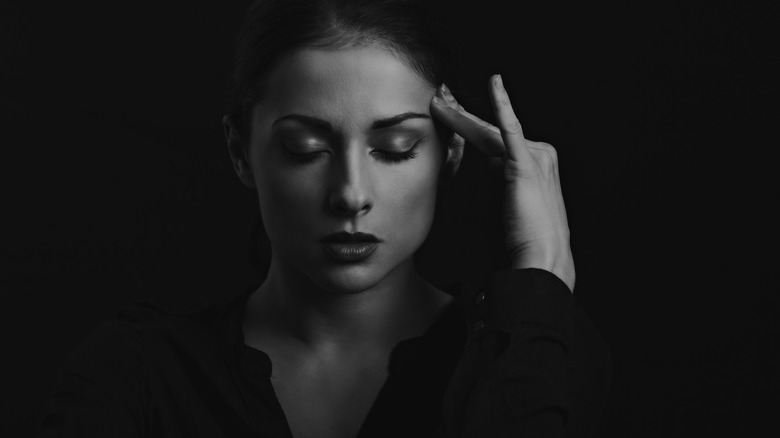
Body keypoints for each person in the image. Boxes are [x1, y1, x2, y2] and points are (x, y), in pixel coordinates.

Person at [33, 0, 612, 437]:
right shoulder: (136, 376)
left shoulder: (538, 356)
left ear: (451, 151)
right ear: (241, 152)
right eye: (306, 149)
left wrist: (540, 282)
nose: (350, 195)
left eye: (394, 148)